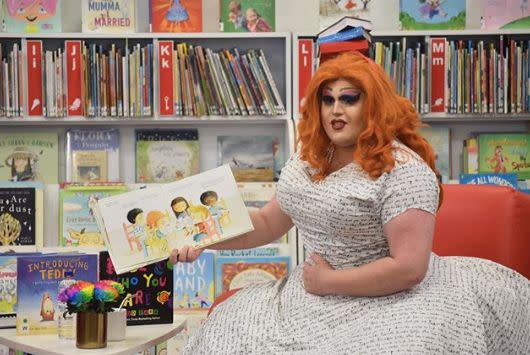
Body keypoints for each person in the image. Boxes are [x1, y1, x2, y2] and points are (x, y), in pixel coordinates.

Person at [170, 52, 530, 353]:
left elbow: (408, 269)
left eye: (349, 99)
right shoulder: (309, 157)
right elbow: (267, 223)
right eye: (327, 100)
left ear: (374, 104)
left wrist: (329, 282)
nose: (335, 110)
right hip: (313, 294)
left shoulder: (404, 170)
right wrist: (203, 238)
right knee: (224, 334)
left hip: (394, 297)